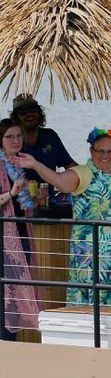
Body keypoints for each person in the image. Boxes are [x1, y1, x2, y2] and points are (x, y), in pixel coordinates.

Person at [10, 127, 111, 306]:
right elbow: (59, 181)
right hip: (93, 260)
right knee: (94, 311)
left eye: (110, 151)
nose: (105, 155)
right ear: (91, 151)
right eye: (100, 151)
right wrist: (35, 164)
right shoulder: (83, 173)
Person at [0, 119, 39, 340]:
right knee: (6, 294)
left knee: (16, 295)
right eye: (10, 137)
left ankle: (10, 344)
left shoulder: (19, 163)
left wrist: (33, 198)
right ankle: (5, 343)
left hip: (22, 233)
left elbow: (24, 203)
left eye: (19, 136)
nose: (16, 141)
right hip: (4, 239)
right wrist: (13, 193)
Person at [10, 94, 76, 183]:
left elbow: (69, 164)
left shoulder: (50, 136)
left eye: (32, 109)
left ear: (39, 112)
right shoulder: (9, 143)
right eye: (23, 112)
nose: (29, 114)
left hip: (49, 196)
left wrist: (84, 176)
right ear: (15, 118)